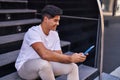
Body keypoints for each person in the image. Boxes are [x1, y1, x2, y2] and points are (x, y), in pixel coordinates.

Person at [15, 5, 87, 80]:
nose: (58, 23)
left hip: (46, 65)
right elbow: (44, 54)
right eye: (55, 20)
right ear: (46, 19)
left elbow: (59, 55)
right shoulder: (33, 32)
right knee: (44, 64)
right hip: (25, 68)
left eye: (58, 20)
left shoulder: (54, 34)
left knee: (73, 66)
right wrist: (70, 58)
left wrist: (76, 57)